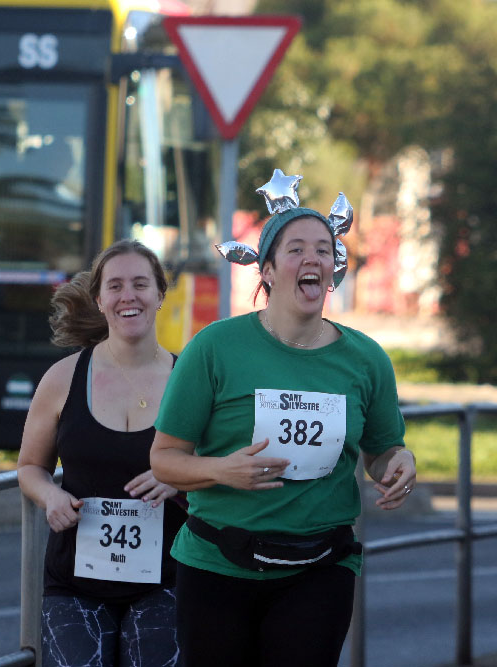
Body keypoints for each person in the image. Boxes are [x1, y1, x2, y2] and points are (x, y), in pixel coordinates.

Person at [149, 171, 416, 667]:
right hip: (217, 565)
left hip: (320, 567)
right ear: (267, 270)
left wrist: (399, 463)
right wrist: (220, 470)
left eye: (324, 249)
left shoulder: (367, 359)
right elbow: (164, 460)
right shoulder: (215, 348)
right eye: (296, 250)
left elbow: (382, 451)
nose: (312, 259)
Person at [17, 239, 186, 667]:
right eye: (115, 286)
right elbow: (30, 467)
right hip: (75, 582)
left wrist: (178, 475)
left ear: (160, 295)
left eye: (140, 284)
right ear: (99, 299)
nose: (128, 295)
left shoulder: (190, 380)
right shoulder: (61, 379)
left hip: (167, 580)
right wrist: (50, 496)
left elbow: (221, 467)